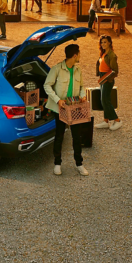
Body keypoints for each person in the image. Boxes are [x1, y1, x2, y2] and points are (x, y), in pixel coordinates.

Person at [43, 43, 90, 176]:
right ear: (75, 55)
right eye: (79, 54)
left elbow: (81, 86)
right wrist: (58, 100)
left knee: (76, 136)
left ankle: (79, 164)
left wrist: (82, 96)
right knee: (59, 136)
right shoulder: (57, 69)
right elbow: (47, 85)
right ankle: (57, 164)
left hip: (74, 107)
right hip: (60, 109)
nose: (80, 56)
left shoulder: (78, 70)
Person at [95, 35, 122, 130]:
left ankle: (117, 120)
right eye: (102, 42)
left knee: (106, 100)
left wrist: (106, 79)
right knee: (103, 100)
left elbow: (115, 71)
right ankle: (106, 121)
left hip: (107, 79)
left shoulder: (112, 55)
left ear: (110, 42)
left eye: (105, 42)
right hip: (103, 78)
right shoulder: (103, 53)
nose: (103, 44)